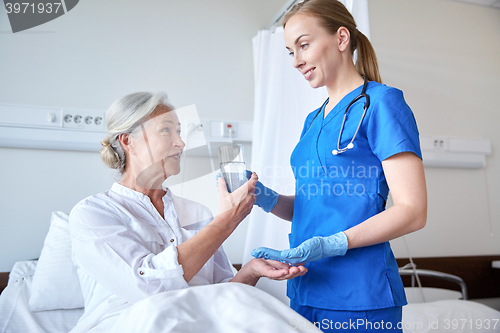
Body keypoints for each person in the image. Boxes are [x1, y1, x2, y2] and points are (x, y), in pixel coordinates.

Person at [249, 0, 427, 331]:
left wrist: (333, 243)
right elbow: (313, 206)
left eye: (304, 45)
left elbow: (413, 211)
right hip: (305, 288)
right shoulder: (312, 120)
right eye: (291, 51)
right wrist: (268, 198)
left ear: (341, 38)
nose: (297, 60)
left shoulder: (382, 104)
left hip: (359, 292)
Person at [68, 91, 307, 332]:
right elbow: (147, 287)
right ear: (128, 141)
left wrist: (251, 270)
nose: (180, 143)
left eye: (179, 132)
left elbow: (223, 292)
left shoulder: (196, 212)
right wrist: (225, 221)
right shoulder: (93, 214)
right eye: (166, 130)